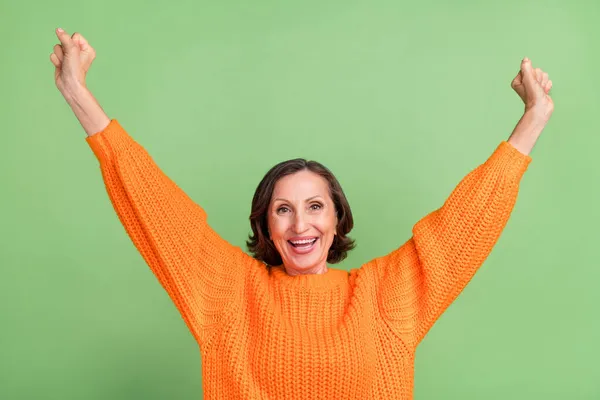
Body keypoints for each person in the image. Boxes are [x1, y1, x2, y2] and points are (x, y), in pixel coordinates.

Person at [50, 28, 554, 399]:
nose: (299, 225)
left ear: (337, 220)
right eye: (283, 210)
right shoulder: (229, 293)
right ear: (266, 226)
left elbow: (464, 227)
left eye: (315, 207)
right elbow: (154, 204)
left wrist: (531, 121)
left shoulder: (383, 297)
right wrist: (77, 92)